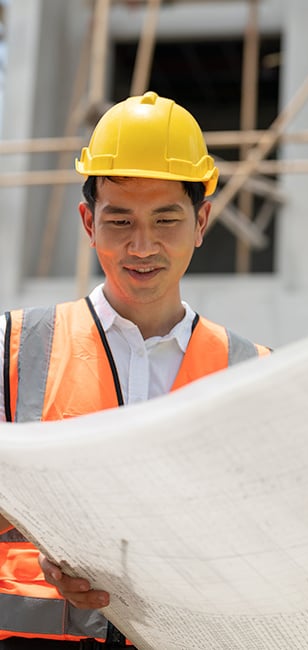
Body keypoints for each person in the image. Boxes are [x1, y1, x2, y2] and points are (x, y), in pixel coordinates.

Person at [0, 91, 270, 649]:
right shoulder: (12, 347)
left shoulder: (253, 373)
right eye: (119, 220)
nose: (141, 246)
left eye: (165, 220)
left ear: (201, 221)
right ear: (87, 221)